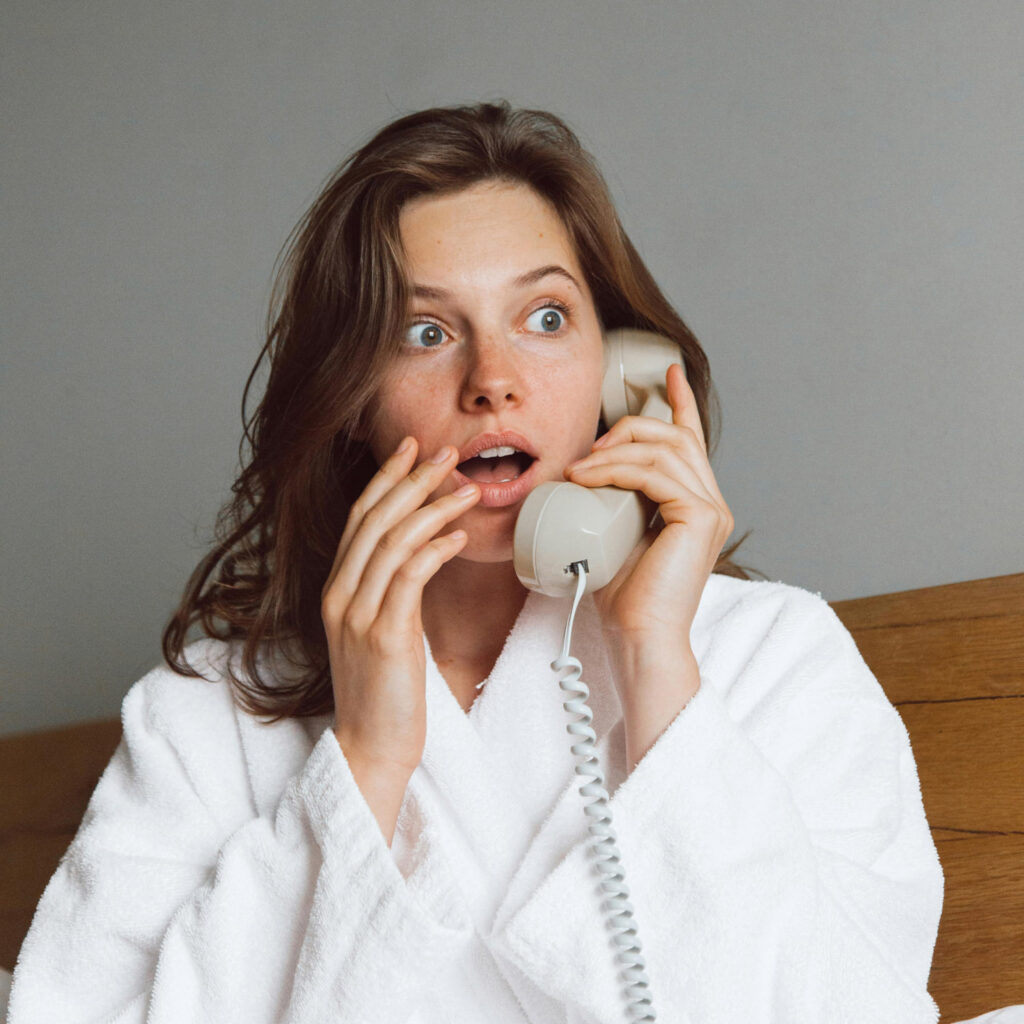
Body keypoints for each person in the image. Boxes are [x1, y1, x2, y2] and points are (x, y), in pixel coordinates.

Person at [8, 102, 943, 1023]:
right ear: (351, 403)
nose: (492, 377)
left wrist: (657, 667)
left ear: (622, 369)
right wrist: (364, 767)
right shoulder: (205, 716)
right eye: (425, 332)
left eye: (544, 317)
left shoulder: (777, 659)